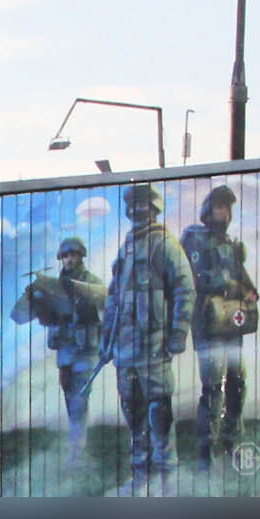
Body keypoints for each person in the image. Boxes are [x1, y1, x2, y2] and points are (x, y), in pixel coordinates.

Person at [98, 183, 196, 485]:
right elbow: (113, 298)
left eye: (144, 206)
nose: (138, 211)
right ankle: (140, 472)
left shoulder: (164, 244)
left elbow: (184, 289)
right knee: (133, 410)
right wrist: (106, 343)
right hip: (125, 348)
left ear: (153, 209)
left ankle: (166, 473)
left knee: (158, 408)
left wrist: (178, 332)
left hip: (154, 343)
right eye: (133, 207)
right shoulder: (126, 247)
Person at [181, 183, 259, 468]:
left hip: (231, 322)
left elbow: (244, 279)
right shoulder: (194, 238)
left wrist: (248, 291)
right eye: (218, 206)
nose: (223, 213)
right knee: (212, 387)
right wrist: (230, 285)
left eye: (227, 207)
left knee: (238, 383)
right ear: (207, 209)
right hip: (207, 320)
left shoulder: (232, 246)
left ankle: (232, 442)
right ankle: (206, 450)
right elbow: (196, 277)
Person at [11, 236, 107, 445]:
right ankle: (76, 442)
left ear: (81, 256)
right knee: (69, 395)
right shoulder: (51, 287)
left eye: (73, 255)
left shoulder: (91, 282)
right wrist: (32, 295)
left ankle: (77, 447)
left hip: (85, 350)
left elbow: (105, 302)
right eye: (65, 256)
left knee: (79, 398)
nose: (69, 259)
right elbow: (18, 316)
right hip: (64, 352)